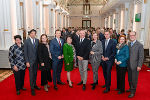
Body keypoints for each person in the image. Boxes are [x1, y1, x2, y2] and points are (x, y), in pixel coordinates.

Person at [127, 31, 144, 98]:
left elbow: (141, 56)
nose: (131, 36)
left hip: (135, 65)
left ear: (135, 36)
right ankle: (131, 88)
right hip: (129, 65)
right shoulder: (128, 43)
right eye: (130, 35)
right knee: (129, 78)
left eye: (133, 35)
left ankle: (133, 91)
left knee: (134, 79)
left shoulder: (139, 45)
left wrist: (139, 65)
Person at [24, 29, 40, 96]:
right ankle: (32, 88)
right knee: (31, 75)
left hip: (36, 61)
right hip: (30, 61)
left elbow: (38, 51)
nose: (33, 34)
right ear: (30, 34)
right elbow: (25, 52)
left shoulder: (37, 40)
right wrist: (27, 61)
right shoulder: (26, 41)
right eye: (32, 33)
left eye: (34, 33)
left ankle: (35, 84)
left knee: (35, 74)